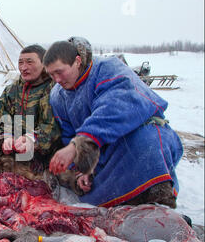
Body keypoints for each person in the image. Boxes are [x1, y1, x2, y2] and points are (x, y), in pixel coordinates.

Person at [44, 37, 183, 208]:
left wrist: (76, 146)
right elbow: (67, 133)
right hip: (98, 153)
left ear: (77, 61)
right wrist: (81, 170)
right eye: (51, 75)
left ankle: (157, 200)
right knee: (77, 183)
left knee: (146, 141)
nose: (57, 79)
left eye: (60, 72)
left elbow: (115, 108)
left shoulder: (108, 69)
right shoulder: (58, 95)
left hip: (132, 139)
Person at [0, 44, 62, 181]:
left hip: (47, 154)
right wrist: (6, 137)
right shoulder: (11, 90)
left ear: (44, 63)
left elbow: (53, 125)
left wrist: (33, 139)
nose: (23, 67)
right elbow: (1, 117)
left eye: (29, 62)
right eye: (21, 62)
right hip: (16, 152)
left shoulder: (54, 88)